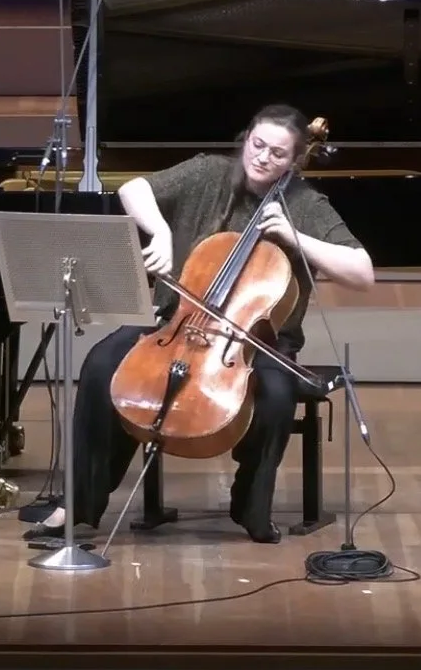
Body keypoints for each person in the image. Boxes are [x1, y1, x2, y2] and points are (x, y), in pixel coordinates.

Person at [29, 103, 374, 544]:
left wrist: (292, 236)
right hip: (173, 321)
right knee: (102, 366)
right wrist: (161, 231)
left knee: (275, 395)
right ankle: (78, 505)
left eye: (278, 154)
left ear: (295, 159)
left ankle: (251, 506)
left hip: (255, 341)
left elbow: (362, 272)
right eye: (258, 144)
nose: (264, 158)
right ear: (245, 138)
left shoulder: (306, 205)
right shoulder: (208, 173)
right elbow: (134, 188)